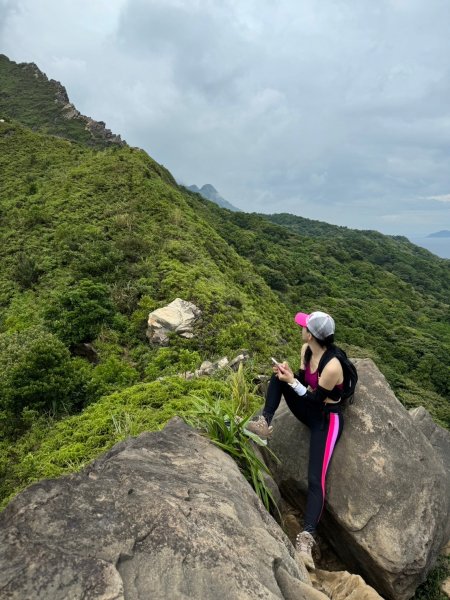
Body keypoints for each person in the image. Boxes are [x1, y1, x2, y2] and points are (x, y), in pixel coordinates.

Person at [247, 310, 345, 569]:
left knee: (315, 479)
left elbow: (315, 398)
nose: (300, 329)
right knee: (277, 378)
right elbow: (304, 383)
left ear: (311, 334)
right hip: (311, 407)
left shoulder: (333, 365)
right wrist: (291, 376)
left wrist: (294, 382)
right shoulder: (307, 350)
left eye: (304, 327)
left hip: (326, 418)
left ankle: (307, 537)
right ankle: (265, 423)